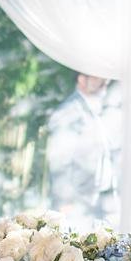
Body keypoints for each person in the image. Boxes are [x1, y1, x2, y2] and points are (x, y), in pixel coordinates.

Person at [45, 74, 122, 224]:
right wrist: (64, 201)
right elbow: (59, 160)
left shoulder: (98, 109)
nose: (105, 81)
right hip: (77, 205)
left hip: (99, 203)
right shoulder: (67, 112)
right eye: (97, 77)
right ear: (81, 79)